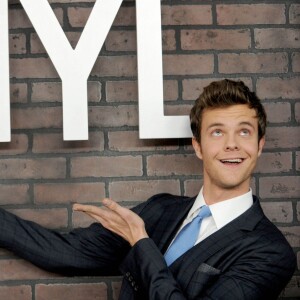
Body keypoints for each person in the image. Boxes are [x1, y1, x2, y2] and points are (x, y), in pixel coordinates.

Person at [0, 79, 296, 299]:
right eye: (217, 132)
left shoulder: (271, 253)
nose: (232, 143)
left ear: (259, 146)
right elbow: (66, 253)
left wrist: (141, 243)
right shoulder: (160, 211)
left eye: (244, 131)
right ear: (198, 146)